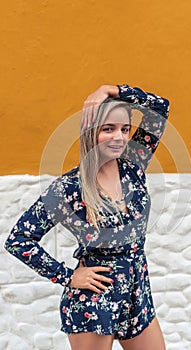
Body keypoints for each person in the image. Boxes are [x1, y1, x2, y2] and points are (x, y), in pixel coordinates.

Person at [5, 84, 169, 350]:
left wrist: (113, 90)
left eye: (124, 129)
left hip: (137, 293)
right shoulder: (69, 188)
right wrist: (68, 277)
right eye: (108, 129)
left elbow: (160, 107)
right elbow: (19, 239)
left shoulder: (133, 166)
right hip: (95, 300)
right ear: (90, 132)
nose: (119, 137)